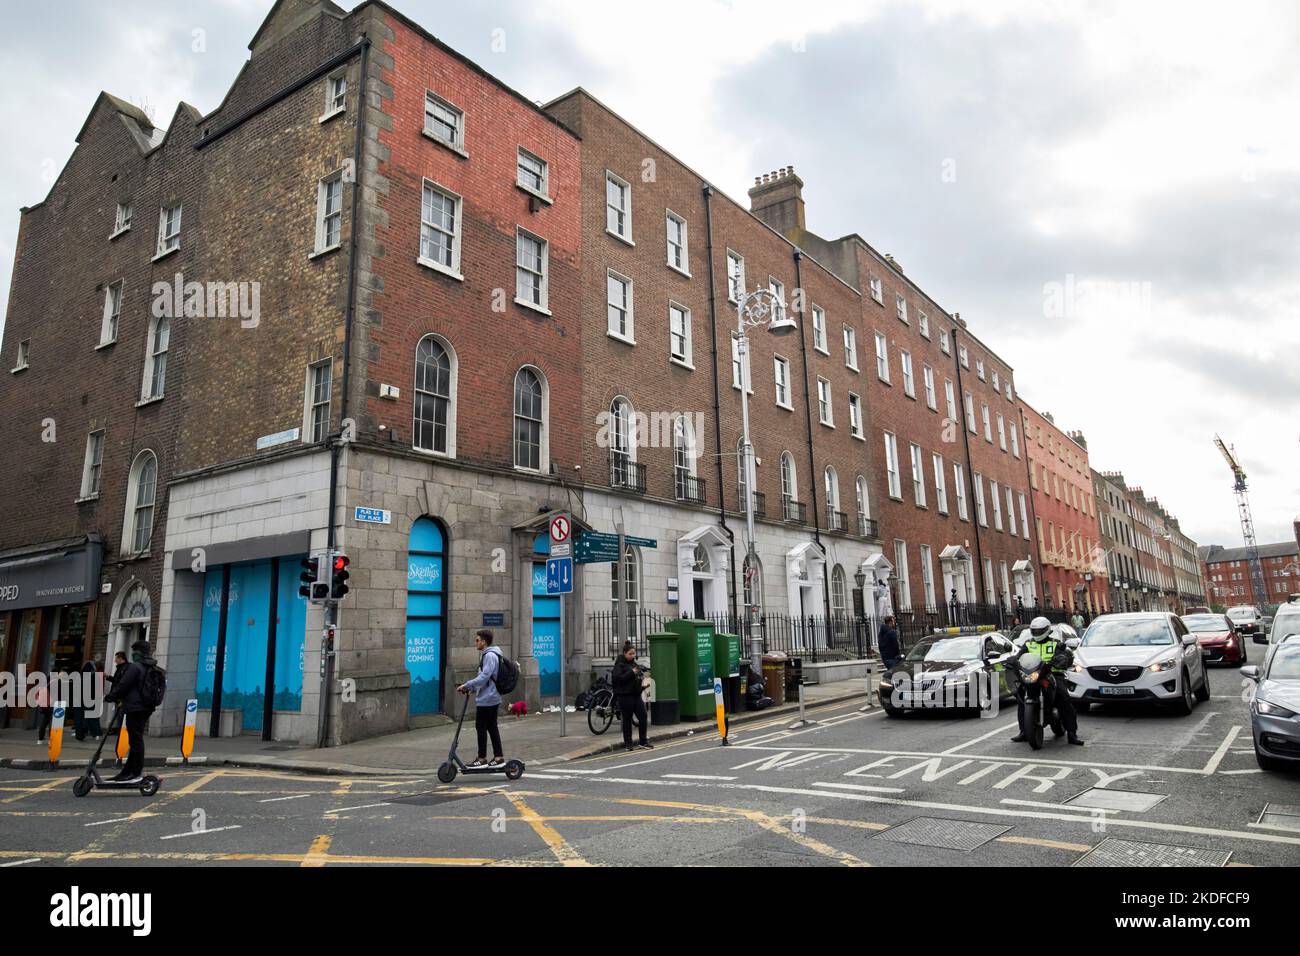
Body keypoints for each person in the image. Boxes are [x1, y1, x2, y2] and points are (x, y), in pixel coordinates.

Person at [1010, 617, 1083, 746]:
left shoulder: (1056, 644)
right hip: (1033, 674)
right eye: (1035, 631)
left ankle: (1072, 733)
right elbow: (1019, 656)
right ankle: (1024, 732)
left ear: (1047, 630)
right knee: (1020, 695)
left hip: (1052, 673)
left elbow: (1065, 654)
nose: (1037, 633)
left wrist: (1062, 659)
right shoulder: (1028, 644)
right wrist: (1013, 662)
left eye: (1040, 631)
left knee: (1064, 697)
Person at [105, 640, 158, 782]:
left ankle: (135, 772)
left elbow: (123, 684)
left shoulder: (136, 667)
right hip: (146, 707)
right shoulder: (151, 666)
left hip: (135, 707)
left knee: (135, 740)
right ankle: (128, 771)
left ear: (138, 652)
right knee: (136, 739)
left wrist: (111, 696)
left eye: (134, 651)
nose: (132, 654)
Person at [457, 630, 505, 767]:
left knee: (481, 727)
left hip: (488, 698)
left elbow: (485, 677)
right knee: (491, 727)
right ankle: (498, 757)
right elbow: (485, 679)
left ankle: (482, 758)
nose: (475, 643)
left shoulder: (489, 656)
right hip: (490, 696)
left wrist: (467, 685)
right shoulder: (489, 655)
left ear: (484, 642)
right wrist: (471, 688)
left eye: (477, 640)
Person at [611, 641, 652, 752]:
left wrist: (641, 683)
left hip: (636, 695)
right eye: (630, 654)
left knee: (643, 716)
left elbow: (637, 676)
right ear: (625, 653)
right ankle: (628, 744)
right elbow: (617, 679)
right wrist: (631, 673)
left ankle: (643, 741)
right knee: (627, 720)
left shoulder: (634, 664)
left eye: (634, 653)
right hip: (625, 696)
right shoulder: (619, 665)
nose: (633, 656)